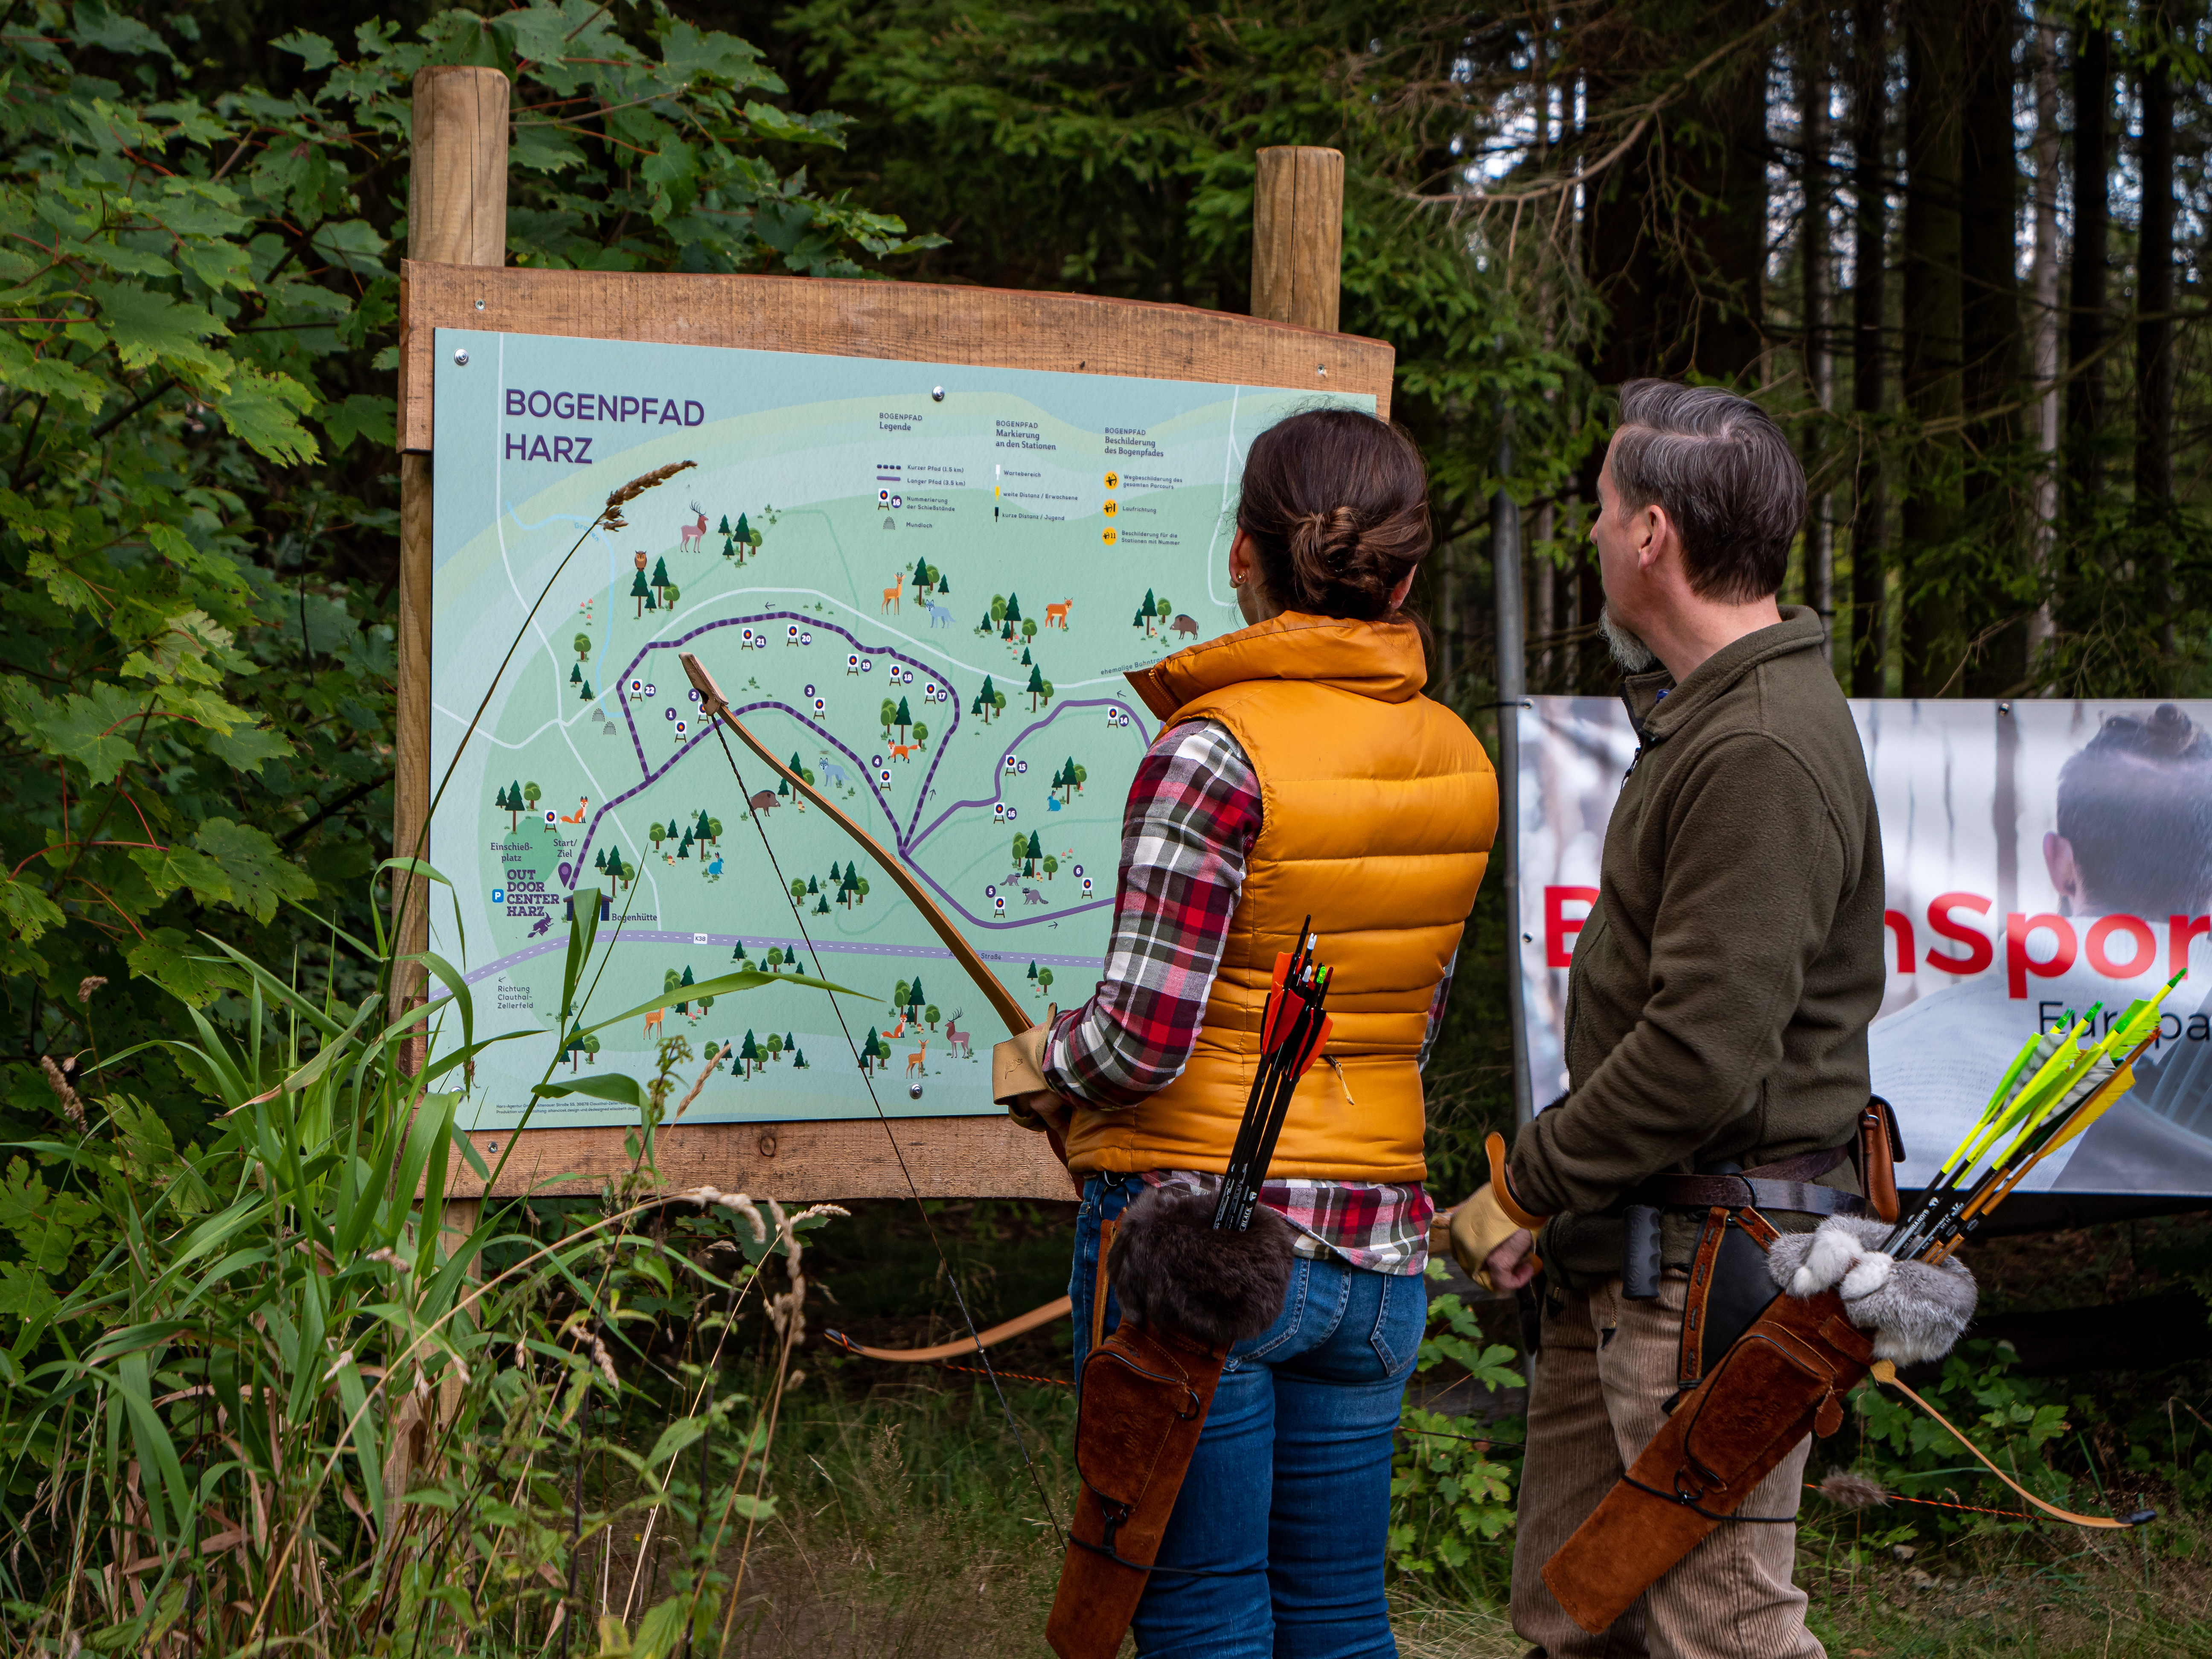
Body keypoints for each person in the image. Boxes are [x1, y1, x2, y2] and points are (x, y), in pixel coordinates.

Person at [1005, 407, 1496, 1657]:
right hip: (1376, 1262)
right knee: (1338, 1619)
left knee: (1202, 1616)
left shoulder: (1212, 752)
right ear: (1404, 570)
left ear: (1243, 555)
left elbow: (1140, 1042)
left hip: (1201, 1256)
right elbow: (1407, 1028)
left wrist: (1040, 1063)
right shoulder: (1457, 757)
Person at [1449, 381, 1885, 1659]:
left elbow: (1699, 1058)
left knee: (1723, 1633)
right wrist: (1568, 1214)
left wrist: (1527, 1186)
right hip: (1633, 1252)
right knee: (1577, 1612)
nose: (1587, 535)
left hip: (1706, 1271)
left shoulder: (1757, 745)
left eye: (1596, 510)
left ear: (1652, 535)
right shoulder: (1713, 715)